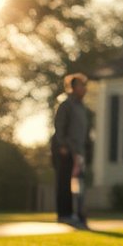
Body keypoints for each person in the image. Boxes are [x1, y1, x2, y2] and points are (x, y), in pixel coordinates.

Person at [52, 72, 89, 228]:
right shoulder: (66, 105)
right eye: (82, 86)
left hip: (78, 151)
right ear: (73, 88)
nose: (84, 89)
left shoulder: (81, 107)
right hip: (65, 150)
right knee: (64, 183)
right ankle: (64, 214)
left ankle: (79, 214)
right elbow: (60, 126)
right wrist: (63, 146)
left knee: (79, 184)